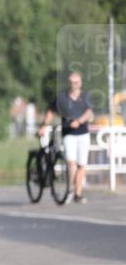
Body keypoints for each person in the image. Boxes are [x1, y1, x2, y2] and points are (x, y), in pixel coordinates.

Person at [39, 71, 94, 204]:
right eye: (72, 82)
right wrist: (44, 125)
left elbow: (89, 112)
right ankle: (69, 190)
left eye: (76, 82)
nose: (74, 85)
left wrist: (79, 121)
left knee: (82, 165)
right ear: (69, 83)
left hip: (83, 134)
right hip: (69, 134)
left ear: (80, 83)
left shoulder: (85, 97)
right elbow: (51, 111)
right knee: (71, 163)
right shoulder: (62, 97)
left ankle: (78, 193)